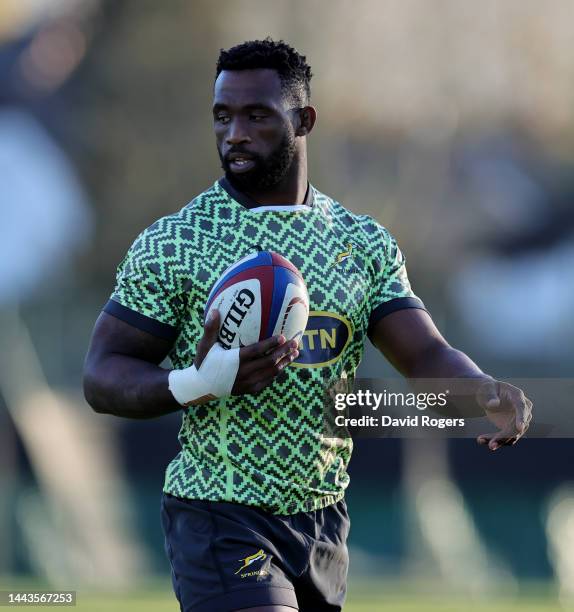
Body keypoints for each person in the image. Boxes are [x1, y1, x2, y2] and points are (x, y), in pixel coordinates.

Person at [83, 38, 533, 612]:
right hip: (218, 512)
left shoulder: (361, 242)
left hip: (322, 521)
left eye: (256, 116)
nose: (235, 134)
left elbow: (423, 354)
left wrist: (482, 392)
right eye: (223, 116)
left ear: (303, 120)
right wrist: (197, 380)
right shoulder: (177, 242)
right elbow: (102, 376)